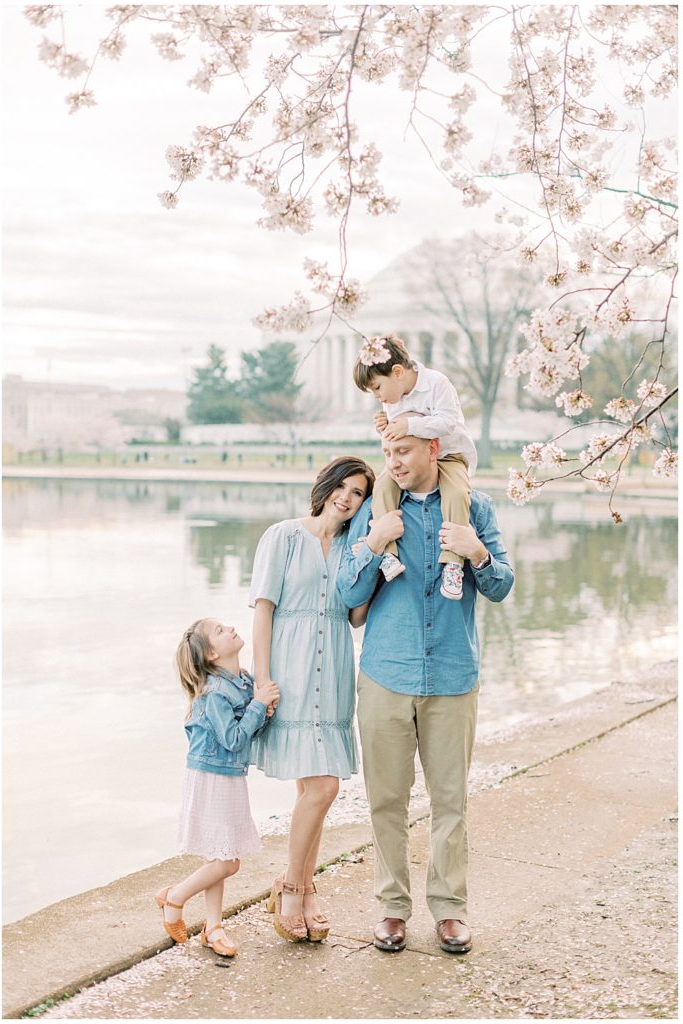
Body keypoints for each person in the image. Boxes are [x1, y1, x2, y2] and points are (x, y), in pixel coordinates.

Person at [337, 432, 514, 955]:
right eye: (387, 454)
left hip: (453, 678)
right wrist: (374, 541)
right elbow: (348, 593)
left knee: (450, 801)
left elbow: (502, 585)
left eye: (404, 452)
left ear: (433, 449)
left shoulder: (474, 507)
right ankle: (392, 907)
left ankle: (450, 910)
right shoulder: (374, 509)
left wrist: (476, 552)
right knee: (386, 801)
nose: (393, 463)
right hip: (386, 675)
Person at [249, 456, 375, 943]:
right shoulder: (282, 535)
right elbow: (263, 610)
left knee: (315, 793)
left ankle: (300, 887)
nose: (347, 497)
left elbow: (357, 615)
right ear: (325, 486)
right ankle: (296, 888)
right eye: (343, 486)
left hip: (335, 672)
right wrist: (262, 680)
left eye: (359, 492)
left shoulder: (353, 547)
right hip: (292, 672)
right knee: (321, 789)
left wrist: (374, 551)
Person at [155, 618, 279, 958]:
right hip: (211, 777)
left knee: (218, 854)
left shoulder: (242, 681)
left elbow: (248, 729)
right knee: (228, 862)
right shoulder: (214, 693)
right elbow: (234, 739)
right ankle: (175, 896)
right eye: (220, 631)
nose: (230, 629)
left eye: (225, 625)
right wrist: (258, 705)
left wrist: (264, 708)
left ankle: (213, 927)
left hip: (228, 775)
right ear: (211, 653)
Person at [353, 334, 477, 600]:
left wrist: (409, 425)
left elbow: (448, 423)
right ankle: (388, 553)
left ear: (397, 372)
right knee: (384, 486)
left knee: (455, 493)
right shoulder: (391, 399)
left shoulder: (437, 383)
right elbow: (398, 442)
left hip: (449, 455)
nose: (377, 397)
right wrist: (385, 427)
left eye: (377, 388)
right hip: (414, 462)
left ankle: (453, 563)